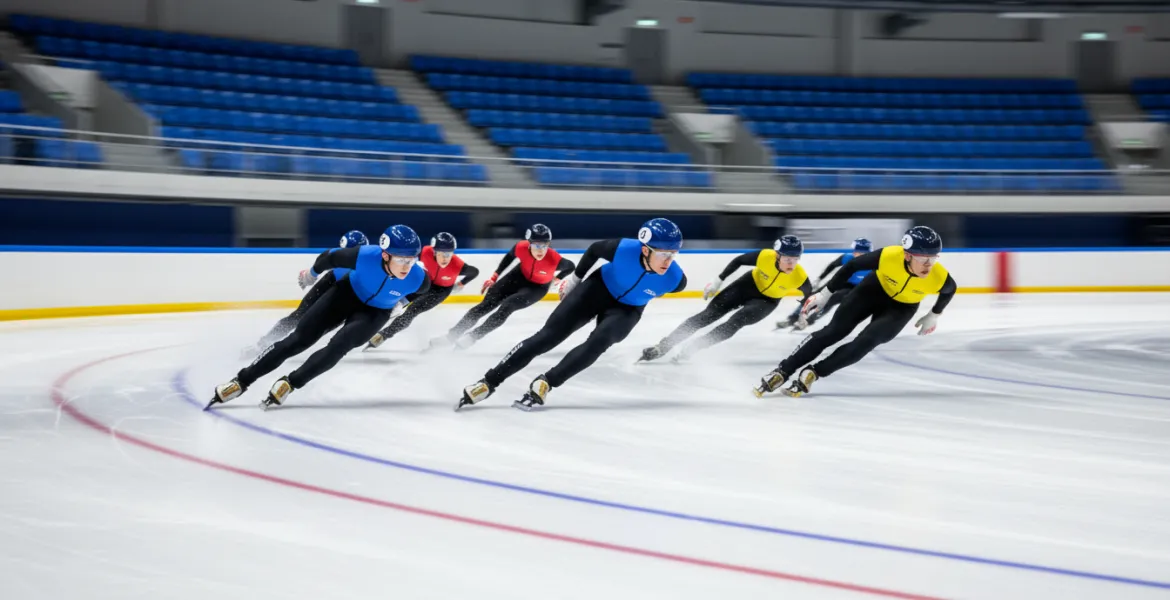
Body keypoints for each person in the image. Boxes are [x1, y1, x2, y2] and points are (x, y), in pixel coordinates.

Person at [457, 218, 688, 412]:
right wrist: (575, 280)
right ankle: (488, 382)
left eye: (673, 254)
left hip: (628, 309)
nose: (669, 261)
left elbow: (661, 284)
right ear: (645, 249)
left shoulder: (676, 280)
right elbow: (595, 249)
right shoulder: (623, 249)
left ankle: (546, 382)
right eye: (663, 254)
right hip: (597, 289)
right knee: (548, 336)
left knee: (599, 342)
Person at [207, 225, 429, 410]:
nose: (406, 267)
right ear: (385, 255)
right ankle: (242, 380)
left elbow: (423, 291)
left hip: (375, 313)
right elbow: (328, 258)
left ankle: (291, 383)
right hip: (346, 293)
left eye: (411, 260)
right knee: (298, 340)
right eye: (402, 260)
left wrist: (401, 302)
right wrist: (311, 274)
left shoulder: (419, 278)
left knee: (338, 347)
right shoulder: (364, 256)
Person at [753, 226, 956, 399]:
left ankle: (814, 372)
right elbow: (851, 266)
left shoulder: (938, 276)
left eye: (933, 258)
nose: (929, 264)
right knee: (833, 331)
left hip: (902, 307)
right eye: (923, 258)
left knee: (866, 342)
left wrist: (934, 314)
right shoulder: (888, 256)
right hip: (872, 290)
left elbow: (950, 290)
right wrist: (825, 294)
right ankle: (783, 370)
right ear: (907, 255)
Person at [639, 235, 810, 363]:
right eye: (787, 259)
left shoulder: (799, 276)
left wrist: (803, 315)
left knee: (735, 323)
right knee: (707, 315)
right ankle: (664, 346)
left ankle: (694, 348)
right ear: (777, 256)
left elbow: (809, 296)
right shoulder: (765, 256)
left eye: (795, 259)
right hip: (746, 285)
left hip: (767, 301)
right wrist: (717, 281)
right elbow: (739, 261)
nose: (791, 264)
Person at [428, 223, 574, 351]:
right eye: (537, 245)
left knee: (507, 306)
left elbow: (571, 266)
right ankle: (452, 336)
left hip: (537, 288)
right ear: (529, 243)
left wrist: (557, 278)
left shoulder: (554, 259)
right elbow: (509, 257)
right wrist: (495, 276)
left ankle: (474, 336)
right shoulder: (521, 247)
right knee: (485, 305)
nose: (541, 250)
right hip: (517, 276)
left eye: (544, 245)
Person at [241, 230, 369, 357]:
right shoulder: (358, 261)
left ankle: (272, 345)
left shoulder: (364, 262)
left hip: (343, 292)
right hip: (332, 285)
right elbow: (325, 258)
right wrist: (311, 274)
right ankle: (264, 343)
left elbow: (325, 257)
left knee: (309, 323)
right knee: (299, 316)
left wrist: (311, 274)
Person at [365, 232, 479, 349]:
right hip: (424, 282)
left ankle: (383, 335)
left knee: (412, 310)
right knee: (394, 301)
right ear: (434, 251)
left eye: (449, 254)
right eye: (441, 253)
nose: (445, 258)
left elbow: (474, 272)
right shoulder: (425, 252)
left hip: (440, 291)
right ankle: (369, 323)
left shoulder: (457, 265)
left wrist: (461, 283)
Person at [776, 237, 873, 331]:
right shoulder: (847, 257)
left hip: (857, 288)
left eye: (861, 252)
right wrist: (819, 279)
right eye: (855, 251)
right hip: (842, 281)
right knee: (813, 296)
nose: (856, 254)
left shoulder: (873, 263)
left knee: (831, 299)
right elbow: (832, 266)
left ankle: (809, 321)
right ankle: (792, 318)